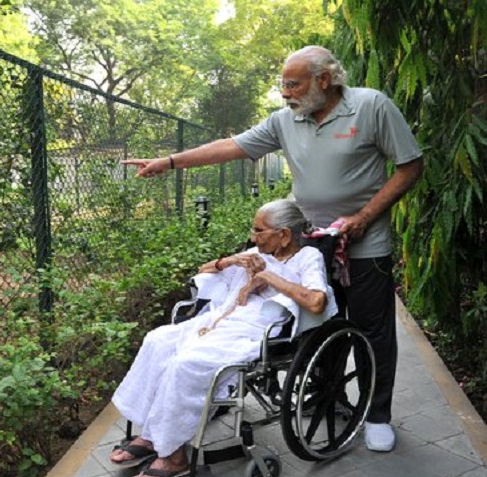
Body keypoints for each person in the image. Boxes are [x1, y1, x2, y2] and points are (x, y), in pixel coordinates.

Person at [122, 45, 423, 453]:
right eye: (283, 85)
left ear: (324, 79)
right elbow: (231, 146)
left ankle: (377, 415)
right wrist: (170, 162)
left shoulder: (371, 107)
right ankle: (332, 399)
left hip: (366, 244)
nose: (285, 93)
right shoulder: (286, 121)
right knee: (319, 326)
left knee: (373, 331)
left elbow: (410, 166)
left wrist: (365, 217)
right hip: (313, 245)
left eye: (292, 84)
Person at [110, 199, 337, 477]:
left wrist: (270, 278)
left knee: (185, 364)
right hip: (221, 317)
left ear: (284, 235)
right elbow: (204, 270)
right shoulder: (256, 252)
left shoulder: (308, 257)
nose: (253, 237)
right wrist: (230, 261)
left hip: (255, 330)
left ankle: (173, 456)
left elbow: (317, 302)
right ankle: (153, 436)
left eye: (259, 231)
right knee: (157, 341)